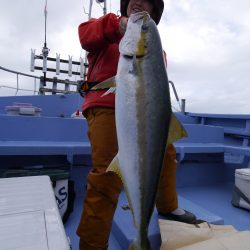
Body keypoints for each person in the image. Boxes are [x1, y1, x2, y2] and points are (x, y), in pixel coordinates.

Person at [77, 0, 196, 249]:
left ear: (154, 12)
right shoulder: (106, 29)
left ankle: (168, 206)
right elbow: (85, 35)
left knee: (167, 154)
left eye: (148, 1)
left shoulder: (157, 49)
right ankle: (92, 244)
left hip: (149, 113)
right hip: (107, 107)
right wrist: (116, 26)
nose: (139, 1)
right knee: (106, 175)